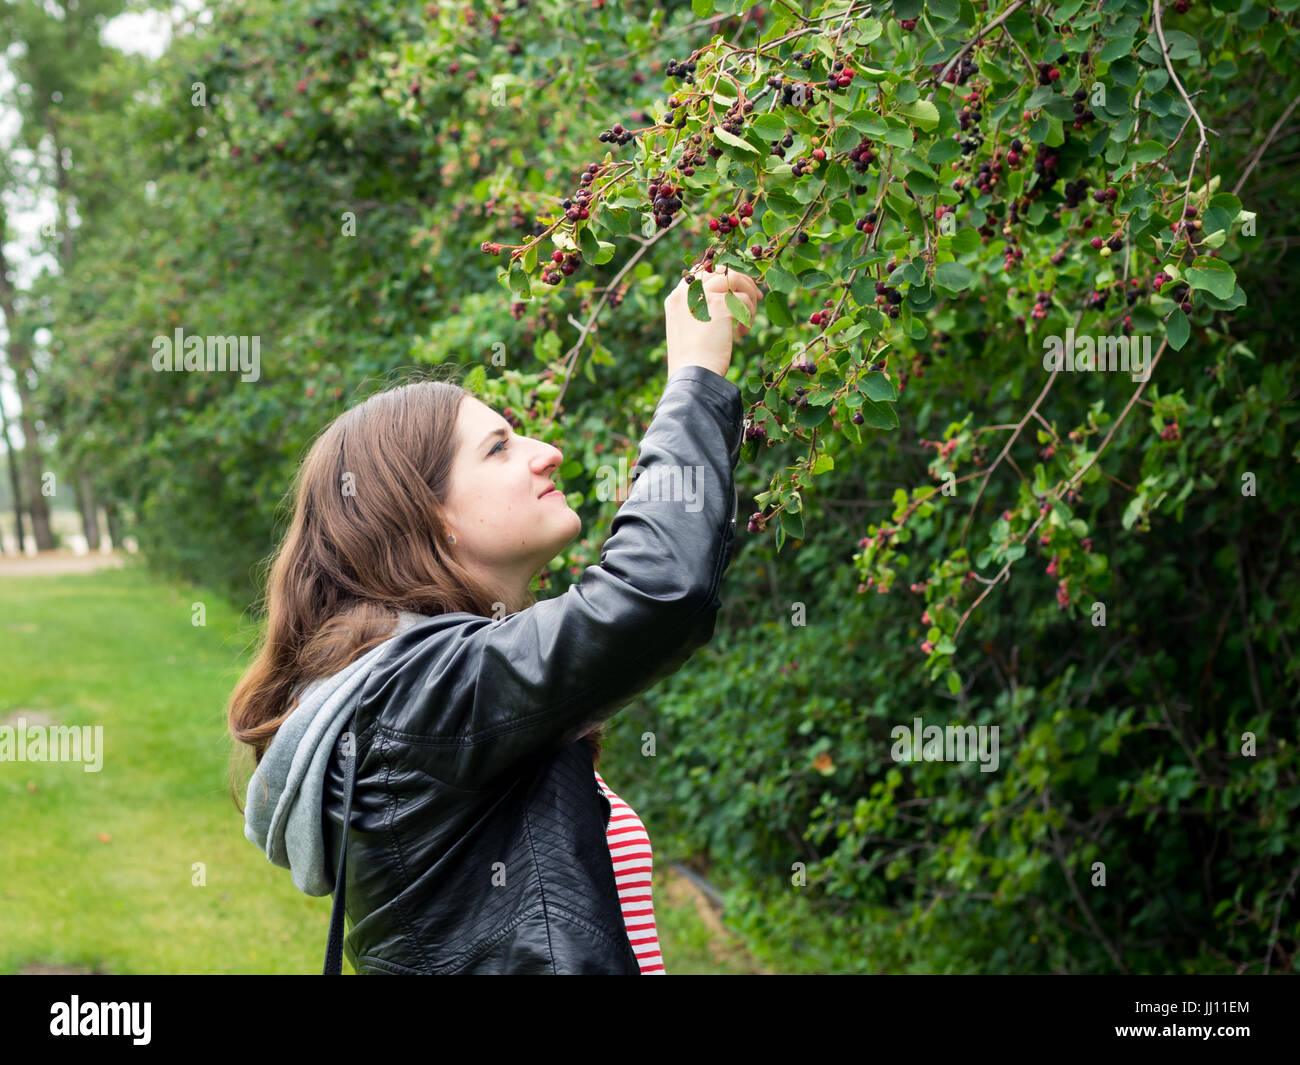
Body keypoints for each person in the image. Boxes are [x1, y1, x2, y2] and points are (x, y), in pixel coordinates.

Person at [229, 266, 762, 974]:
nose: (548, 453)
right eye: (500, 446)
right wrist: (695, 374)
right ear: (424, 517)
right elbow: (657, 590)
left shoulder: (423, 690)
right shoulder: (412, 697)